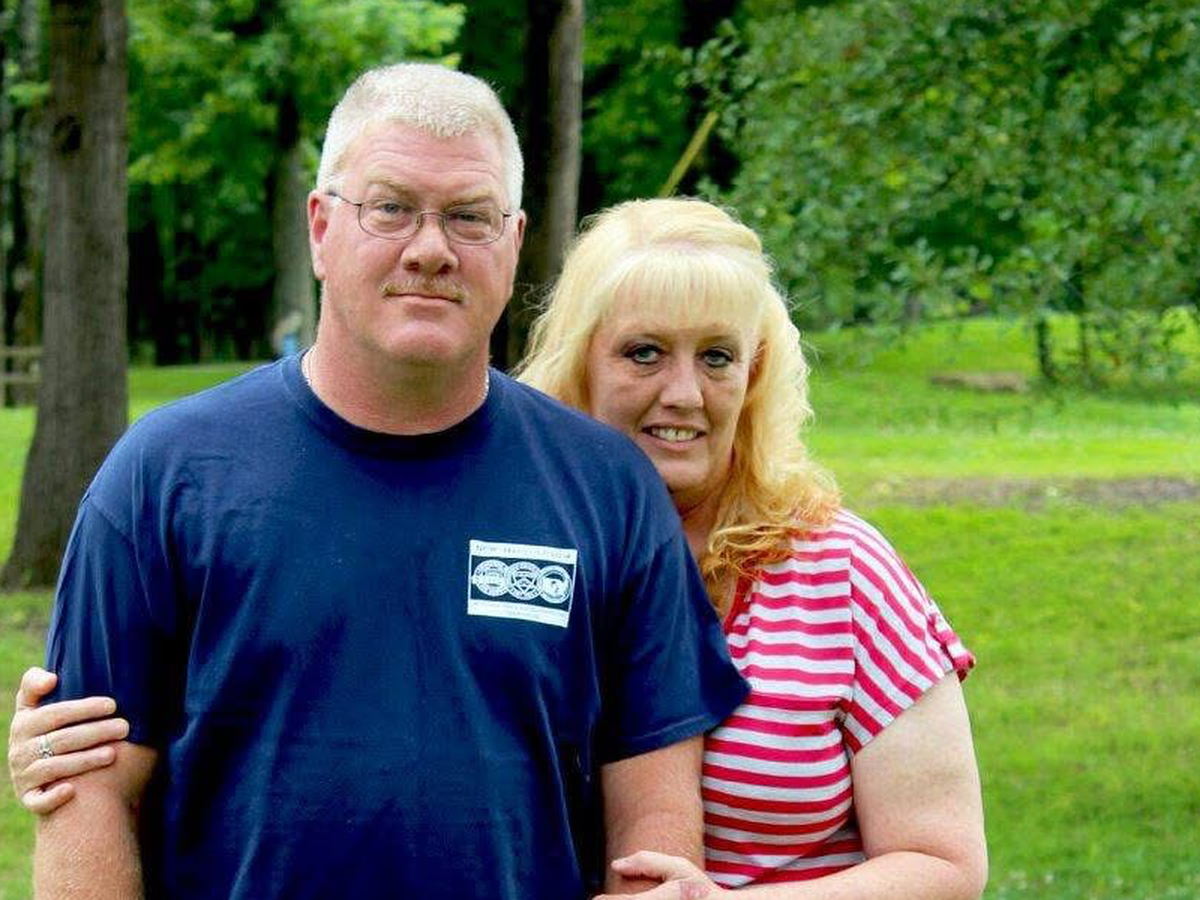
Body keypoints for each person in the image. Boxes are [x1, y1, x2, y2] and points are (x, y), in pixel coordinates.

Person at [11, 197, 987, 898]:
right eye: (644, 352)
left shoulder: (839, 570)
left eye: (718, 357)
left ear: (755, 377)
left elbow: (946, 861)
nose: (684, 392)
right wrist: (68, 757)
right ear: (581, 359)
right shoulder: (524, 516)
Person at [7, 69, 749, 900]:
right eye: (391, 208)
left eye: (469, 216)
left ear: (513, 242)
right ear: (321, 228)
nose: (430, 249)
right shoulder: (164, 478)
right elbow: (86, 794)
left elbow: (653, 822)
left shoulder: (608, 491)